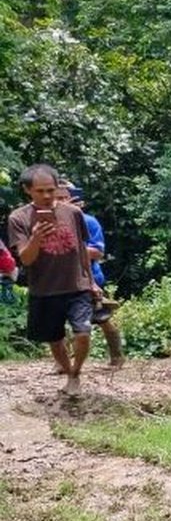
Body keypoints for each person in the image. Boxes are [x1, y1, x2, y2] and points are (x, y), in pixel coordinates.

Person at [8, 164, 98, 395]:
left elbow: (82, 250)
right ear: (28, 190)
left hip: (76, 285)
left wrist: (92, 282)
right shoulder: (18, 218)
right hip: (44, 289)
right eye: (41, 191)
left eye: (51, 189)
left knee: (83, 333)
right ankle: (68, 374)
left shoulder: (74, 213)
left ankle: (76, 373)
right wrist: (36, 237)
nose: (47, 196)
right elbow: (26, 259)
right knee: (55, 338)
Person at [60, 182, 124, 367]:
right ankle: (61, 362)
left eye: (64, 198)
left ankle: (117, 355)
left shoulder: (88, 222)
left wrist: (71, 250)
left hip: (89, 277)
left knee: (101, 316)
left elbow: (97, 251)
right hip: (60, 278)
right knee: (58, 319)